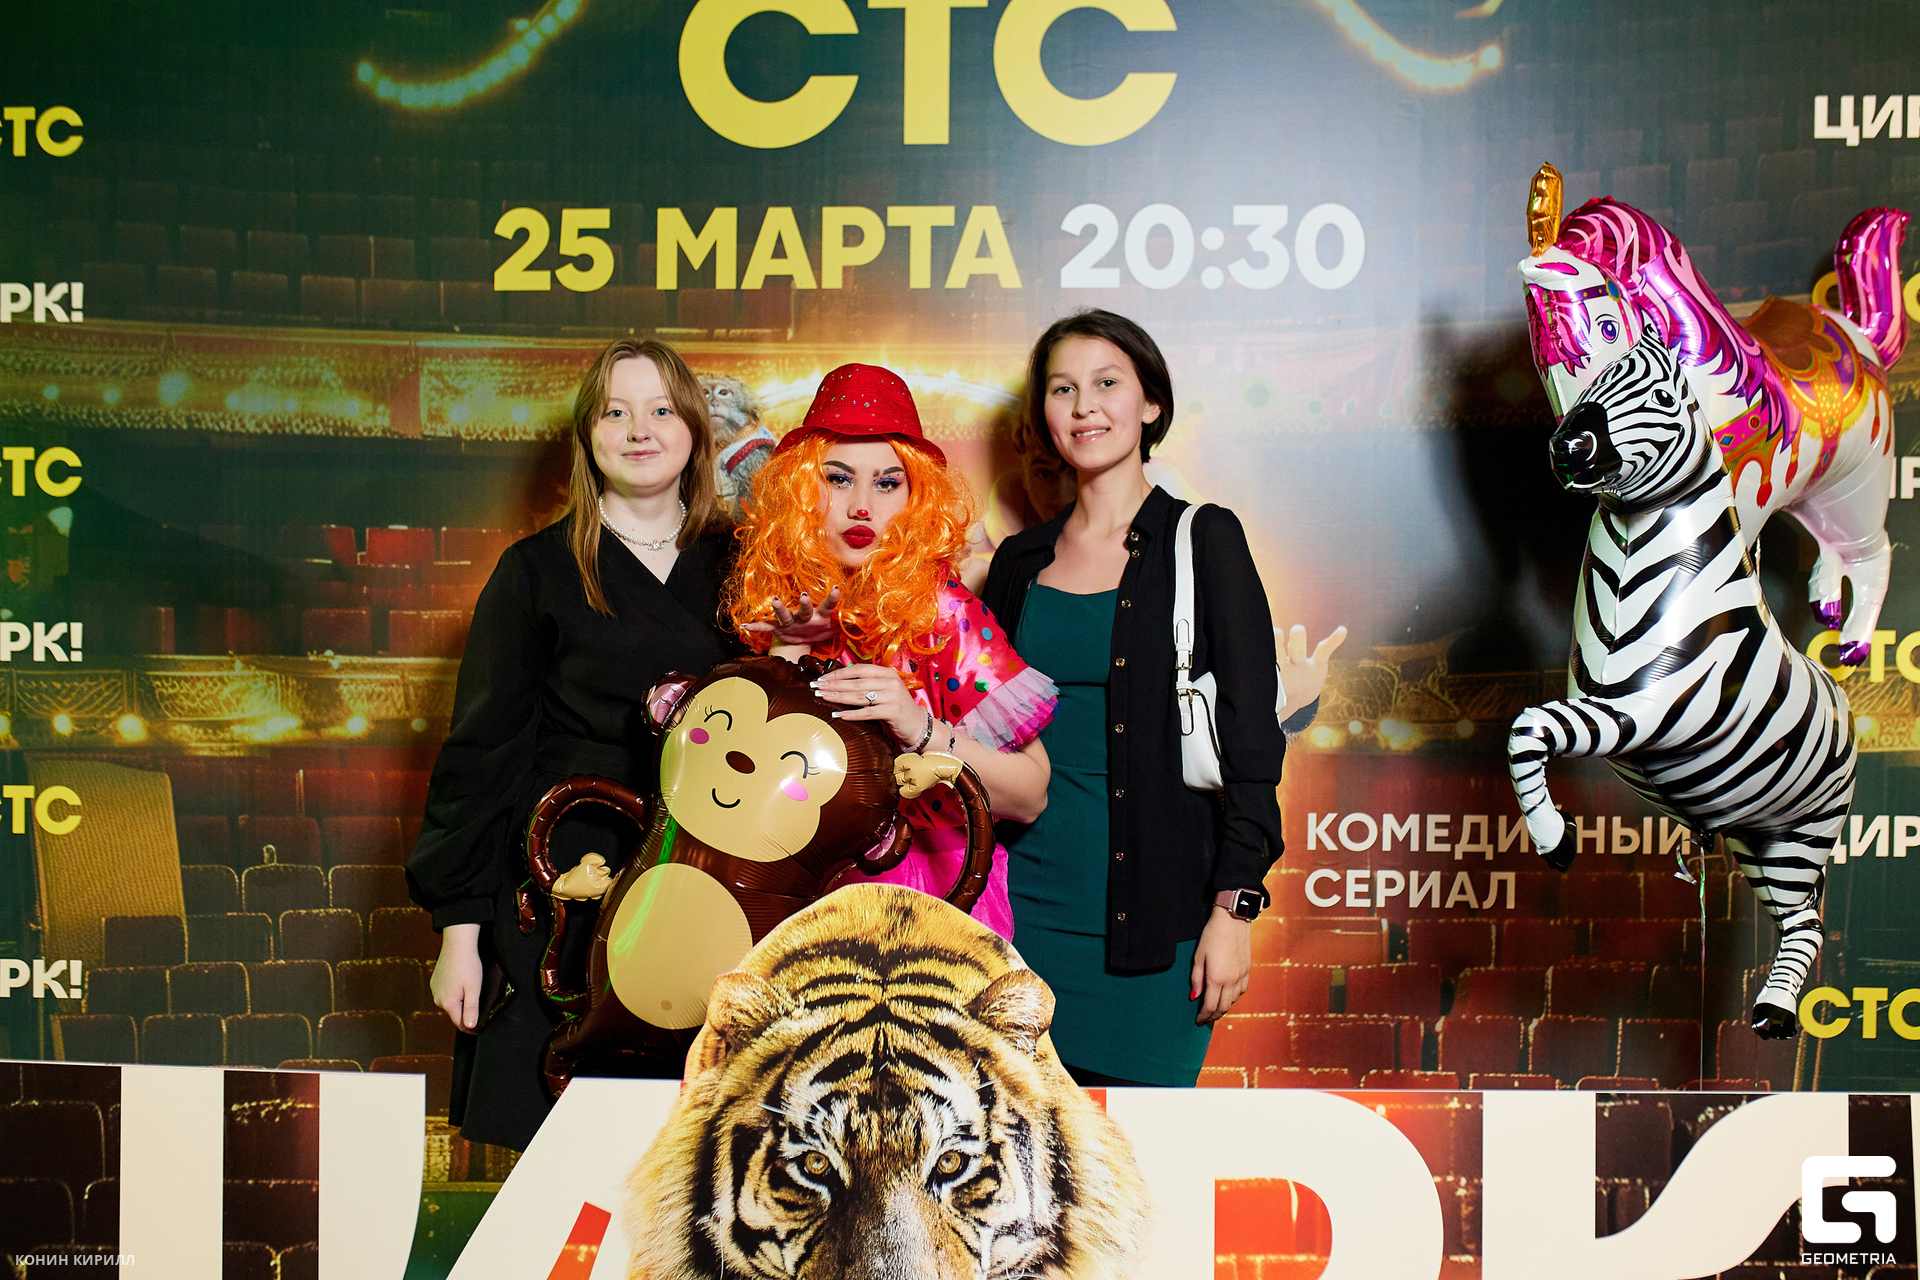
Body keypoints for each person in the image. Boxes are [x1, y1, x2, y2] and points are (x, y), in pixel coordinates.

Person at [982, 309, 1344, 1087]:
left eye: (1107, 383)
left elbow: (1253, 747)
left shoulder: (1203, 540)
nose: (1085, 406)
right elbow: (981, 727)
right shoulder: (1017, 562)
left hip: (1155, 926)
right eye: (1062, 389)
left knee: (1133, 1152)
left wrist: (1234, 910)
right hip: (1019, 922)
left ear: (1150, 403)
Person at [407, 337, 737, 1151]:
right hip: (564, 884)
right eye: (615, 412)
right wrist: (460, 932)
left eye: (661, 410)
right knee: (563, 1160)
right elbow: (481, 755)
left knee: (694, 1158)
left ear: (695, 429)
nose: (639, 429)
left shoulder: (746, 565)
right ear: (588, 436)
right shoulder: (535, 571)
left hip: (709, 881)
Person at [726, 363, 1055, 938]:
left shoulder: (944, 612)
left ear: (915, 497)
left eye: (886, 483)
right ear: (801, 489)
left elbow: (1030, 795)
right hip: (798, 892)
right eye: (838, 478)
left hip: (931, 901)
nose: (862, 506)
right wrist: (787, 655)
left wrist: (916, 726)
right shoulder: (782, 608)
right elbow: (745, 790)